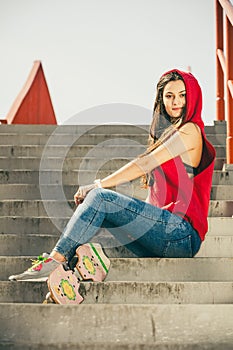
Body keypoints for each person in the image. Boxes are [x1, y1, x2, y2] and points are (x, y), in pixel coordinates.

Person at [9, 68, 216, 281]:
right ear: (161, 99)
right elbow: (153, 200)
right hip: (163, 234)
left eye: (183, 95)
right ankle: (68, 271)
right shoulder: (166, 135)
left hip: (181, 235)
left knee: (101, 198)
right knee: (98, 212)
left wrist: (99, 185)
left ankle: (56, 261)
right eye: (170, 96)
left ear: (193, 98)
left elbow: (144, 164)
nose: (176, 102)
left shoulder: (191, 131)